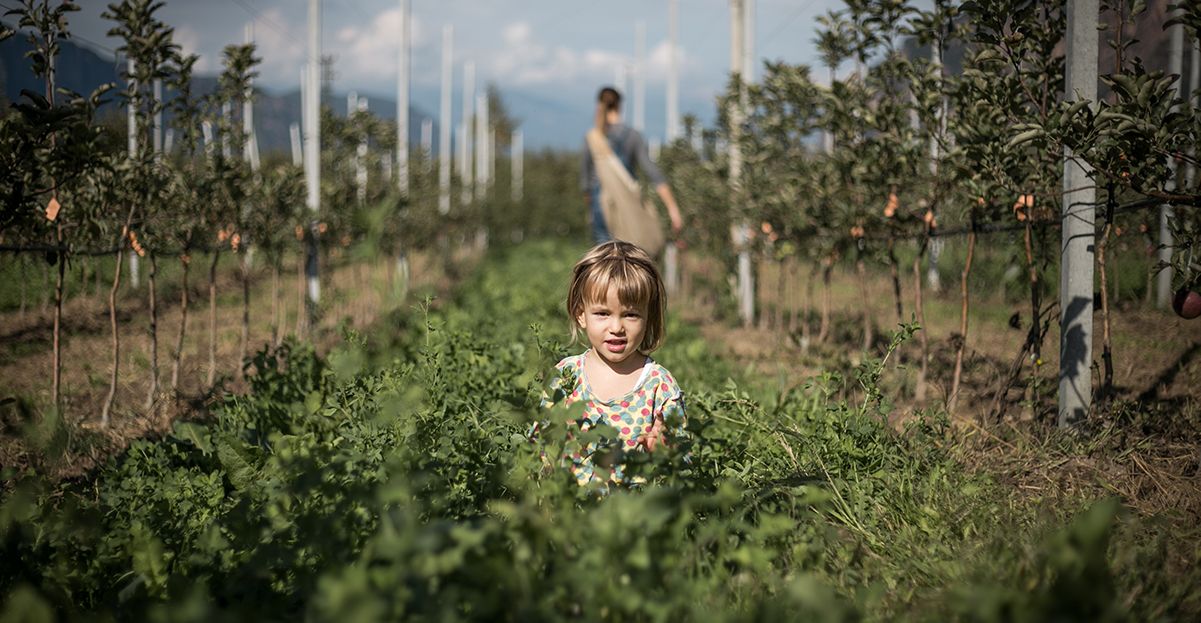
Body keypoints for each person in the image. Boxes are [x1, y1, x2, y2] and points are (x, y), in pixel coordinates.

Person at [533, 240, 687, 488]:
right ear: (580, 314)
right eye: (603, 313)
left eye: (631, 314)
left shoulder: (659, 386)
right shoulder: (565, 376)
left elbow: (680, 463)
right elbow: (541, 448)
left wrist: (663, 451)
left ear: (649, 318)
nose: (616, 328)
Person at [582, 87, 684, 245]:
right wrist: (672, 208)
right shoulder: (632, 136)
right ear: (619, 106)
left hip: (600, 205)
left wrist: (591, 210)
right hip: (627, 203)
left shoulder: (593, 137)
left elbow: (586, 180)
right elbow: (653, 173)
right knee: (628, 255)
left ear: (599, 105)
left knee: (604, 259)